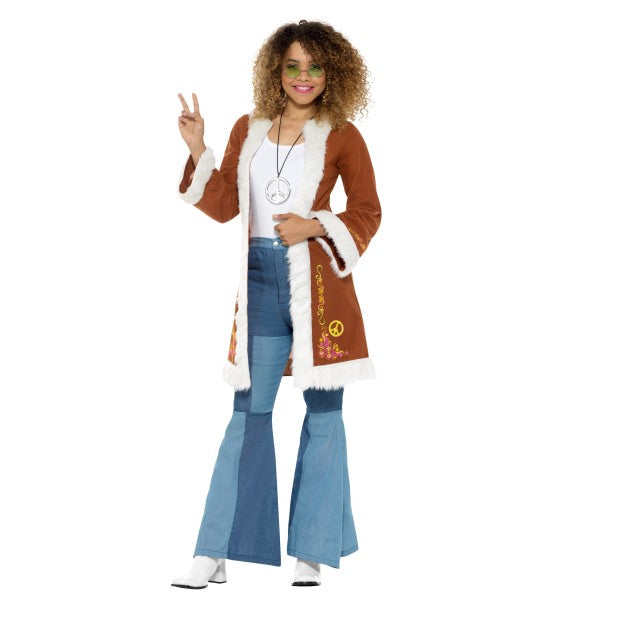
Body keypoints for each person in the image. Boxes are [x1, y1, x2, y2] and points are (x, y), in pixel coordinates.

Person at [171, 19, 381, 588]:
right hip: (260, 282)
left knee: (324, 414)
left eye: (314, 66)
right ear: (276, 70)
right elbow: (224, 206)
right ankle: (214, 549)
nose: (303, 76)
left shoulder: (343, 135)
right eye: (292, 65)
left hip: (320, 289)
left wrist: (314, 225)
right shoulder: (250, 128)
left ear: (332, 72)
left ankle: (312, 549)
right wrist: (198, 149)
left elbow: (367, 211)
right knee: (248, 411)